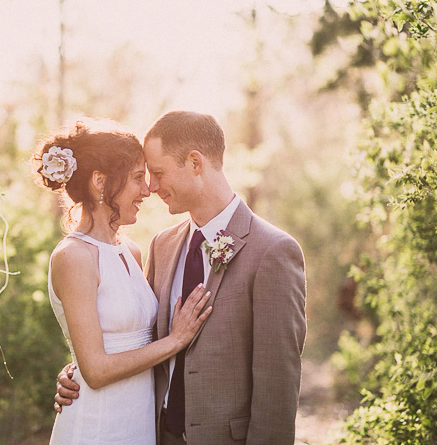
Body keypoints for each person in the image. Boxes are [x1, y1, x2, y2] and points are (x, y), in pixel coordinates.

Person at [55, 111, 307, 445]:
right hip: (149, 432)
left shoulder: (272, 251)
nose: (151, 186)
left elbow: (277, 385)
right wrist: (77, 371)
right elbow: (135, 334)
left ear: (194, 163)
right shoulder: (163, 245)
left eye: (157, 173)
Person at [35, 119, 213, 445]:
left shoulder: (131, 251)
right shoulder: (74, 256)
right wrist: (175, 340)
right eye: (136, 179)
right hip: (98, 425)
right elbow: (97, 370)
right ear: (100, 182)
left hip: (139, 423)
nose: (147, 190)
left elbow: (129, 340)